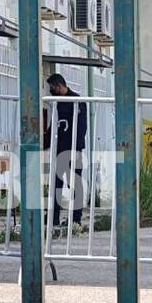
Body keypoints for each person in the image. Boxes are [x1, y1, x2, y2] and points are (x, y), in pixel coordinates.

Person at [45, 73, 87, 227]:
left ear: (59, 85)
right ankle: (53, 217)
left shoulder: (76, 101)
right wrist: (45, 143)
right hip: (59, 150)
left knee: (75, 185)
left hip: (73, 150)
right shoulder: (57, 102)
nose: (51, 91)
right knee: (56, 184)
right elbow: (54, 124)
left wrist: (76, 149)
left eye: (52, 88)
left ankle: (75, 219)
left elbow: (81, 127)